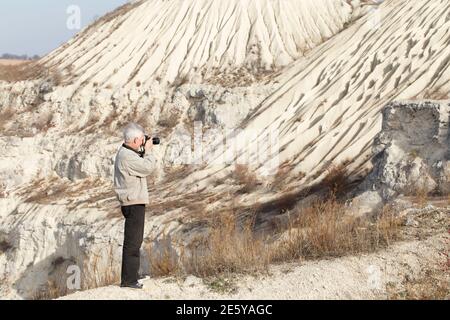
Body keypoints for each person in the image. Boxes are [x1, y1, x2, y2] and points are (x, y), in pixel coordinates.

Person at [113, 122, 157, 289]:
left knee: (134, 241)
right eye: (141, 139)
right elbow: (147, 168)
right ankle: (129, 280)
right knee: (133, 242)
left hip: (133, 201)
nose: (143, 142)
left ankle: (132, 276)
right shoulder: (127, 156)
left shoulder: (127, 152)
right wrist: (149, 151)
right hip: (133, 202)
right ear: (135, 140)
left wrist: (143, 149)